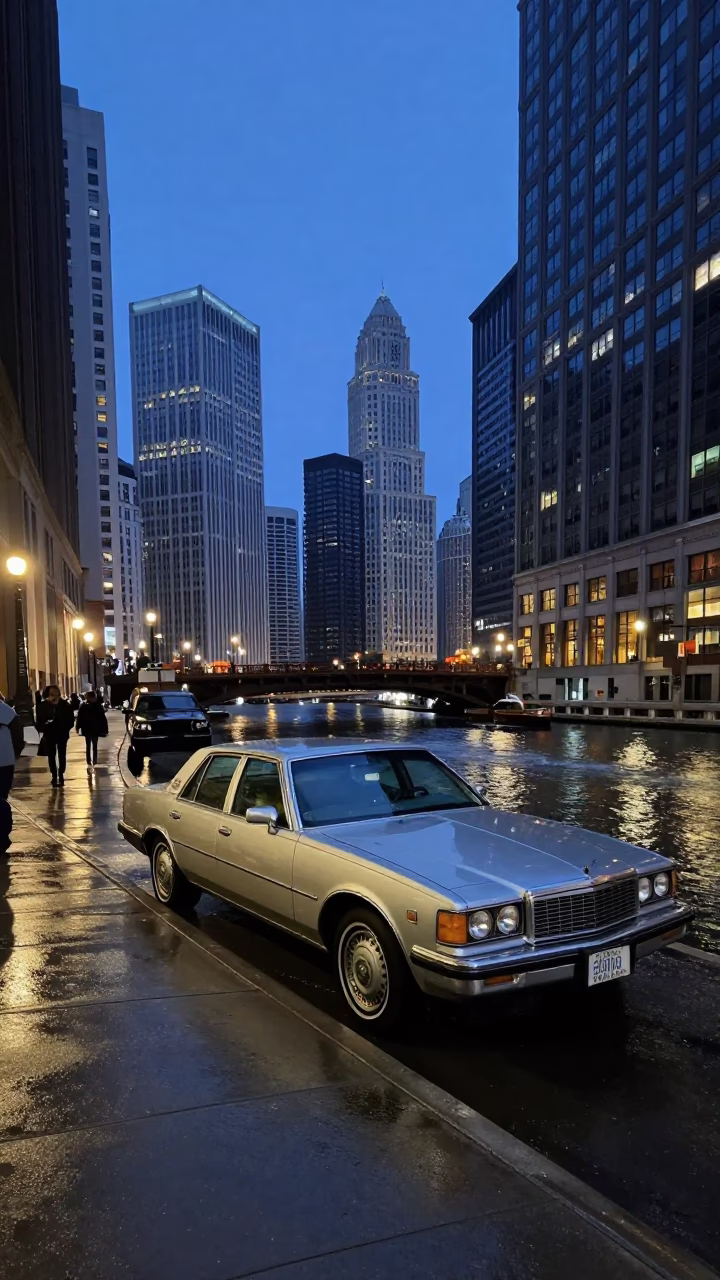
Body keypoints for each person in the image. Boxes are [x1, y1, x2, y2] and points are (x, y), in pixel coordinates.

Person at [0, 692, 25, 854]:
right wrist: (14, 754)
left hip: (6, 762)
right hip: (5, 763)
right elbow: (18, 738)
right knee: (2, 798)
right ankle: (2, 838)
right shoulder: (7, 712)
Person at [36, 686, 74, 787]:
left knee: (62, 755)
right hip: (49, 734)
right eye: (52, 694)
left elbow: (70, 721)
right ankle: (54, 775)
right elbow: (39, 722)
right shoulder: (43, 706)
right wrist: (45, 725)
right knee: (51, 756)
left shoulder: (65, 705)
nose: (54, 696)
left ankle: (61, 774)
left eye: (56, 693)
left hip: (62, 734)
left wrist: (64, 727)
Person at [75, 690, 108, 772]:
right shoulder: (97, 705)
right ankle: (94, 760)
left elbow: (79, 717)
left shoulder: (83, 705)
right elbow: (103, 718)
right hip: (94, 728)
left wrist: (78, 727)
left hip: (87, 728)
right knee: (94, 745)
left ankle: (89, 760)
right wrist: (105, 729)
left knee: (88, 744)